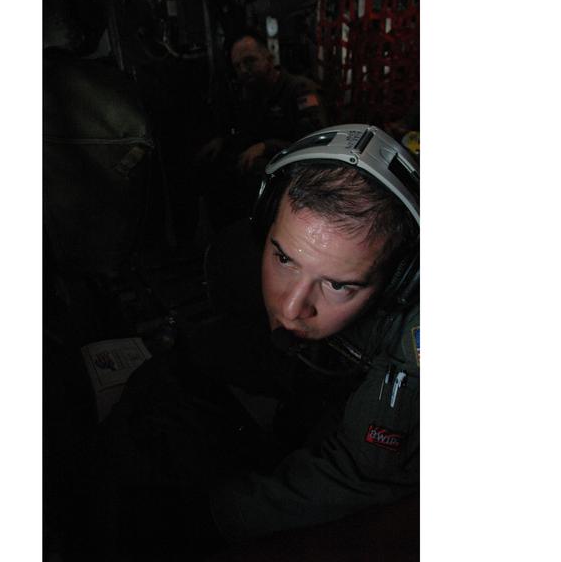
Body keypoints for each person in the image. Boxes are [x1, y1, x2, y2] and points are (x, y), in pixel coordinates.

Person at [86, 125, 419, 560]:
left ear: (399, 281)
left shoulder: (415, 339)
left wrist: (210, 513)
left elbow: (357, 474)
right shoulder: (246, 263)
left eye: (338, 285)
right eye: (284, 258)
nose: (292, 305)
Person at [193, 30, 329, 233]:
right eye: (238, 66)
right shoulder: (251, 95)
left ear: (269, 58)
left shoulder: (298, 89)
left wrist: (266, 147)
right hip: (268, 175)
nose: (244, 70)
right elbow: (246, 133)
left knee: (256, 169)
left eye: (249, 61)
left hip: (300, 174)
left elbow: (316, 141)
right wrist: (224, 140)